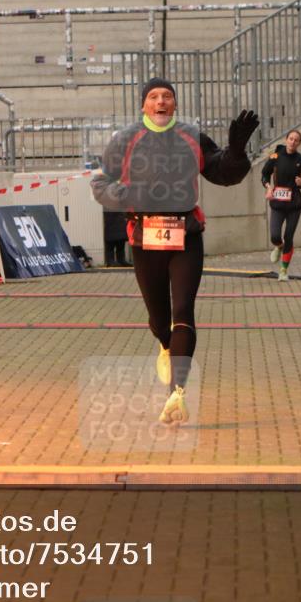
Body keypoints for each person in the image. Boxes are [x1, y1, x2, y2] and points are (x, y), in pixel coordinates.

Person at [91, 77, 258, 424]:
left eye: (167, 96)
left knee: (183, 309)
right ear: (144, 105)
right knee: (158, 318)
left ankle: (175, 395)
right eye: (154, 96)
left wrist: (238, 152)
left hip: (186, 235)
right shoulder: (125, 140)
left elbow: (224, 173)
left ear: (175, 103)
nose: (161, 101)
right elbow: (101, 184)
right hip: (145, 237)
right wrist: (128, 197)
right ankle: (166, 346)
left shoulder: (191, 136)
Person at [260, 129, 301, 282]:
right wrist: (268, 187)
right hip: (277, 205)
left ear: (299, 143)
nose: (293, 142)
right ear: (286, 140)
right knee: (275, 236)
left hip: (294, 206)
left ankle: (283, 270)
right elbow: (264, 174)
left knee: (288, 237)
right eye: (290, 138)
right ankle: (278, 246)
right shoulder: (275, 157)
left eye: (296, 140)